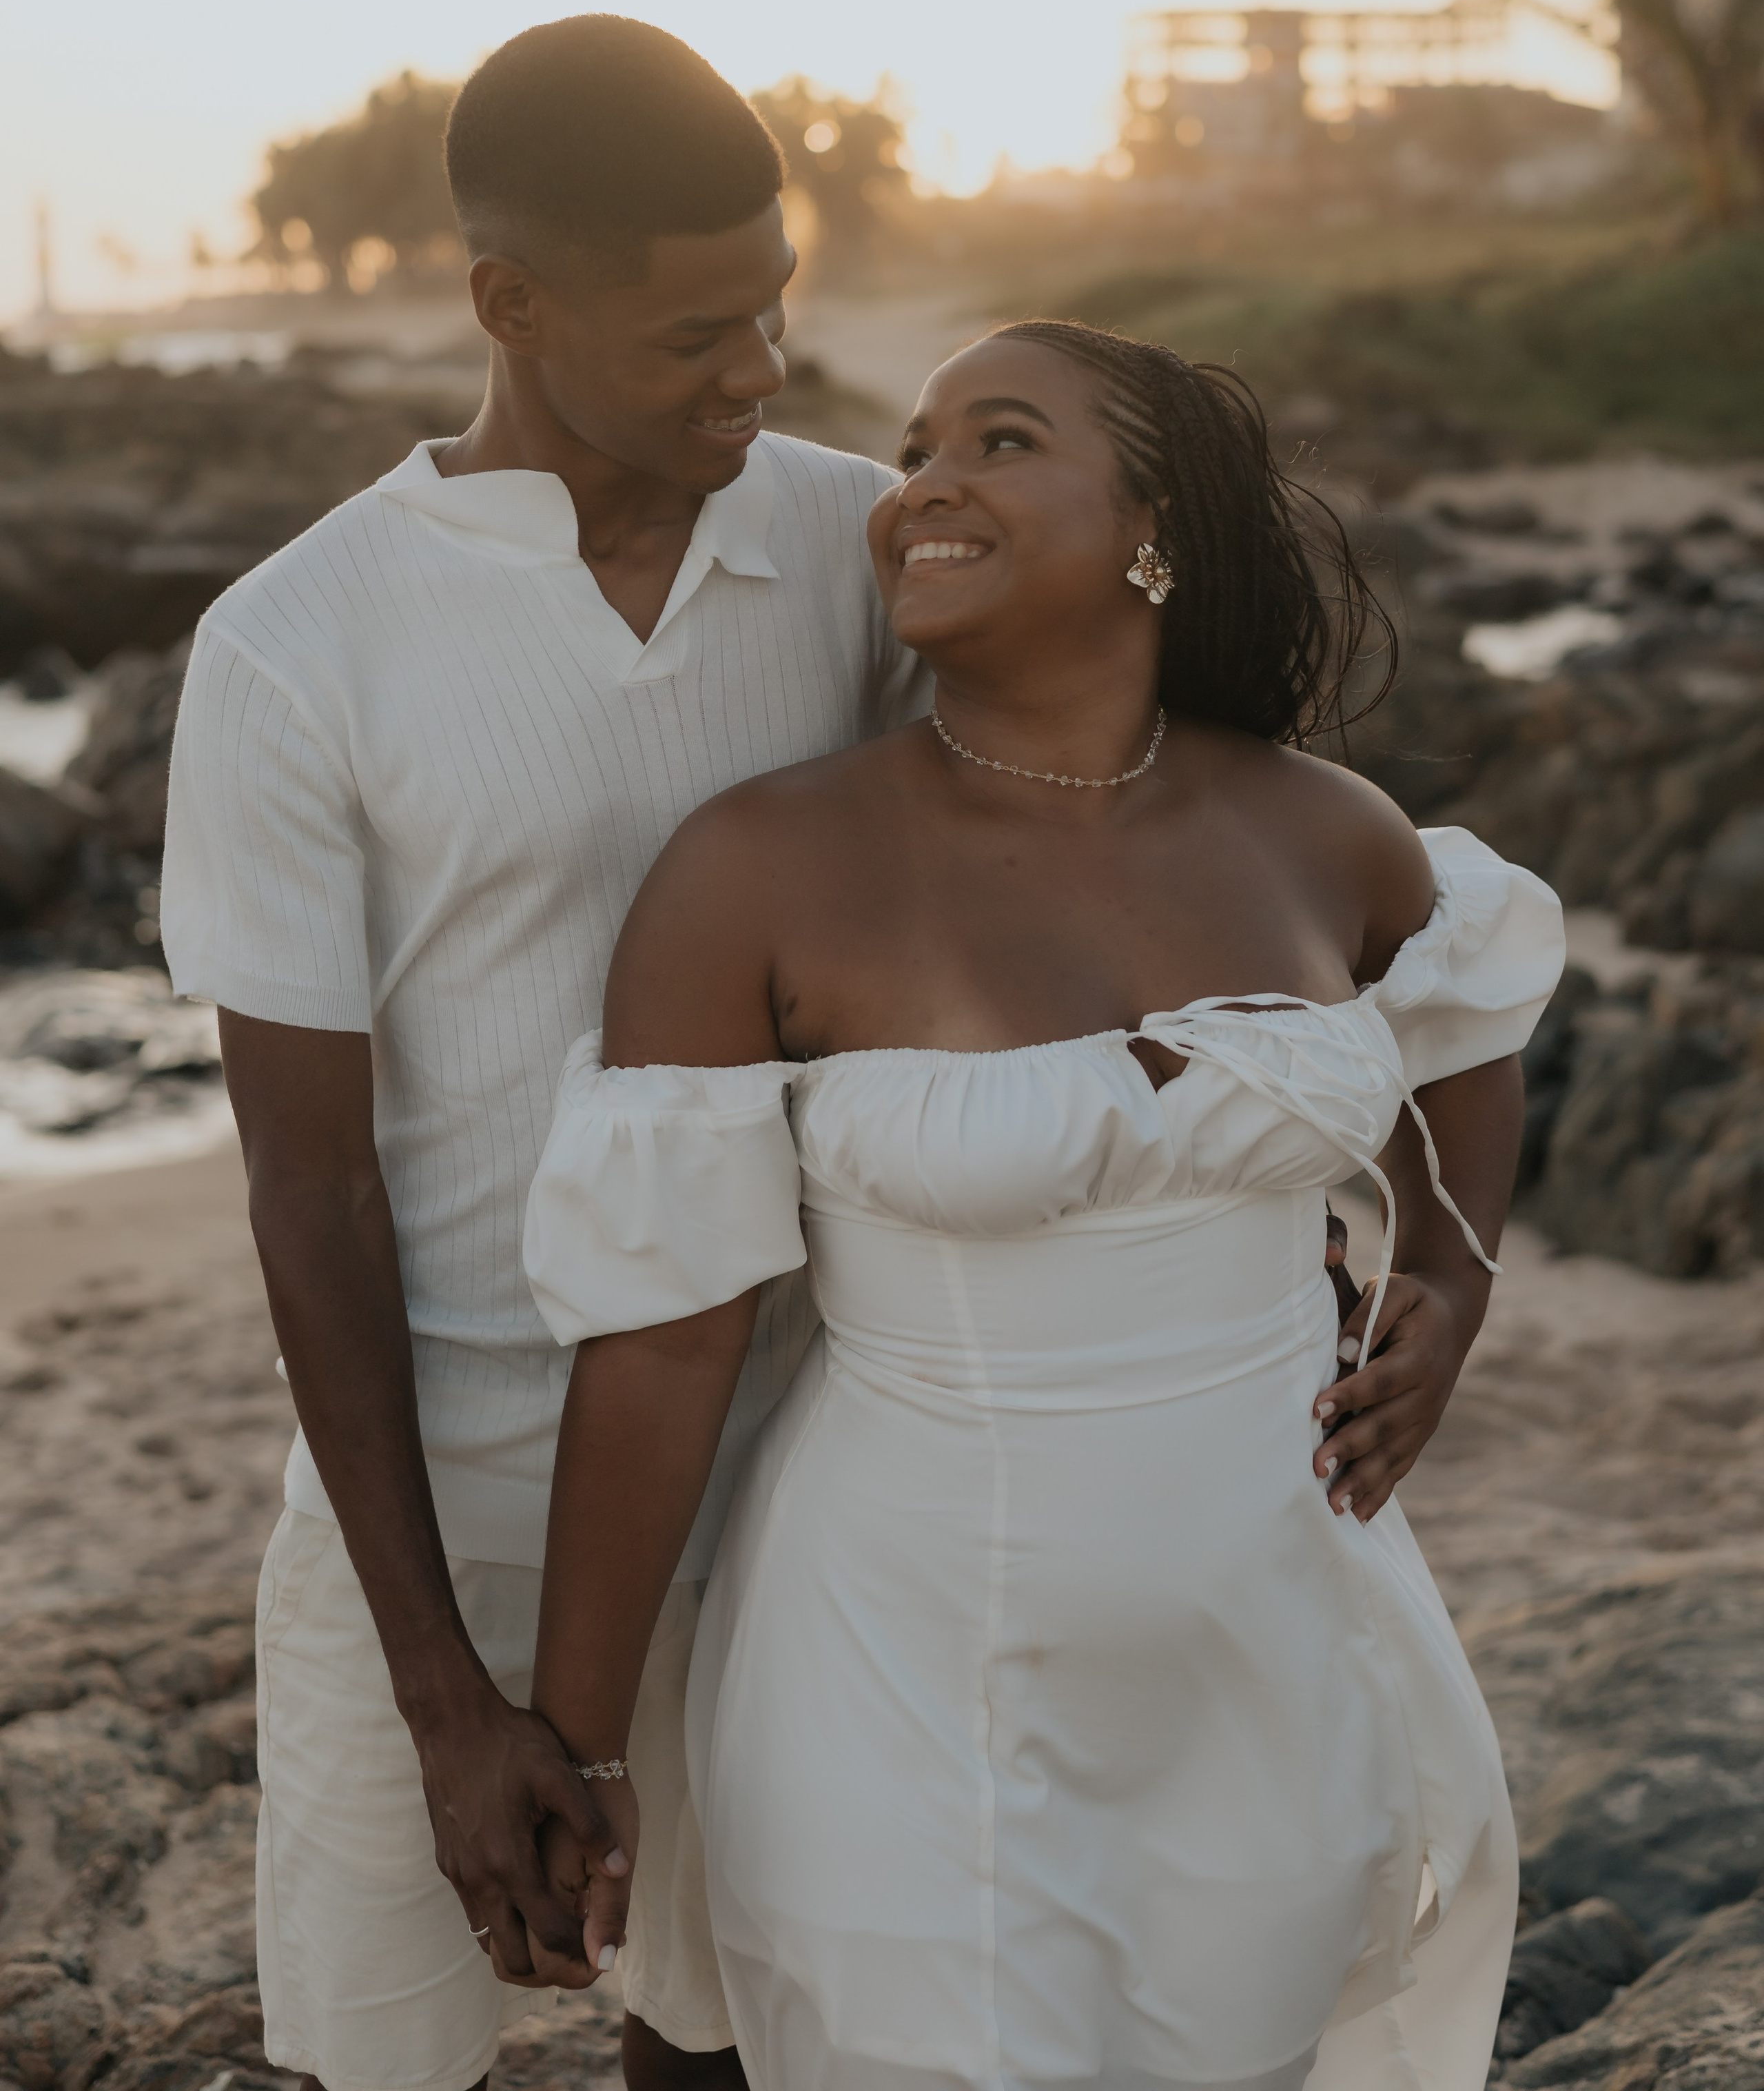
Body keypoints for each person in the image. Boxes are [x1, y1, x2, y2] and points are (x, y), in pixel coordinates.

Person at [520, 320, 1566, 2090]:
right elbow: (663, 1349)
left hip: (1271, 1637)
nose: (922, 484)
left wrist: (1450, 1292)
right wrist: (581, 1745)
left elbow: (1460, 1020)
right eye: (917, 447)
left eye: (999, 441)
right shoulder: (761, 865)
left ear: (1153, 527)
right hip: (903, 1658)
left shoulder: (1321, 832)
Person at [159, 16, 930, 2091]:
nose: (760, 372)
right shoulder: (296, 647)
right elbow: (304, 1185)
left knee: (731, 2046)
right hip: (448, 1493)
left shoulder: (860, 553)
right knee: (380, 2059)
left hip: (791, 1475)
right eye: (698, 333)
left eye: (775, 308)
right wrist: (441, 1698)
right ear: (509, 304)